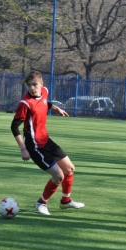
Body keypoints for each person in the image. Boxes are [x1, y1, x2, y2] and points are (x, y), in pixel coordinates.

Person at [10, 70, 85, 215]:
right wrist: (23, 148)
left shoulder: (44, 91)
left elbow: (44, 102)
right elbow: (14, 126)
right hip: (34, 146)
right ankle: (40, 203)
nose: (32, 88)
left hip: (46, 140)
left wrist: (55, 108)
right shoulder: (25, 103)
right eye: (29, 85)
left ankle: (66, 201)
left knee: (69, 168)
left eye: (34, 84)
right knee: (58, 176)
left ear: (41, 84)